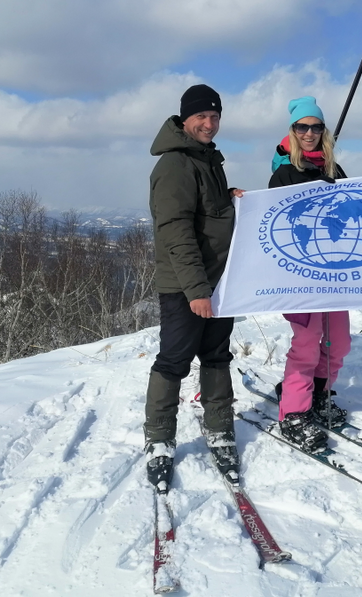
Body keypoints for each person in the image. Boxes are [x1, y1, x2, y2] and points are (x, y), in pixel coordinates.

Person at [144, 84, 244, 491]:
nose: (209, 123)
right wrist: (196, 290)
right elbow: (176, 231)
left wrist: (231, 200)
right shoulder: (175, 164)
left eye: (215, 116)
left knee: (217, 356)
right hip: (189, 285)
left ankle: (219, 428)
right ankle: (159, 438)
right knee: (175, 359)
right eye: (202, 116)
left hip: (219, 280)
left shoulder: (207, 160)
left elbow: (209, 215)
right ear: (184, 119)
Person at [269, 96, 350, 453]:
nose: (310, 133)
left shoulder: (335, 170)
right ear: (293, 131)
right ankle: (294, 412)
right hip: (301, 277)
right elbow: (273, 224)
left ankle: (320, 393)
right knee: (307, 343)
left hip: (334, 275)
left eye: (316, 127)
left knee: (339, 342)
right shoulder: (284, 173)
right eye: (303, 127)